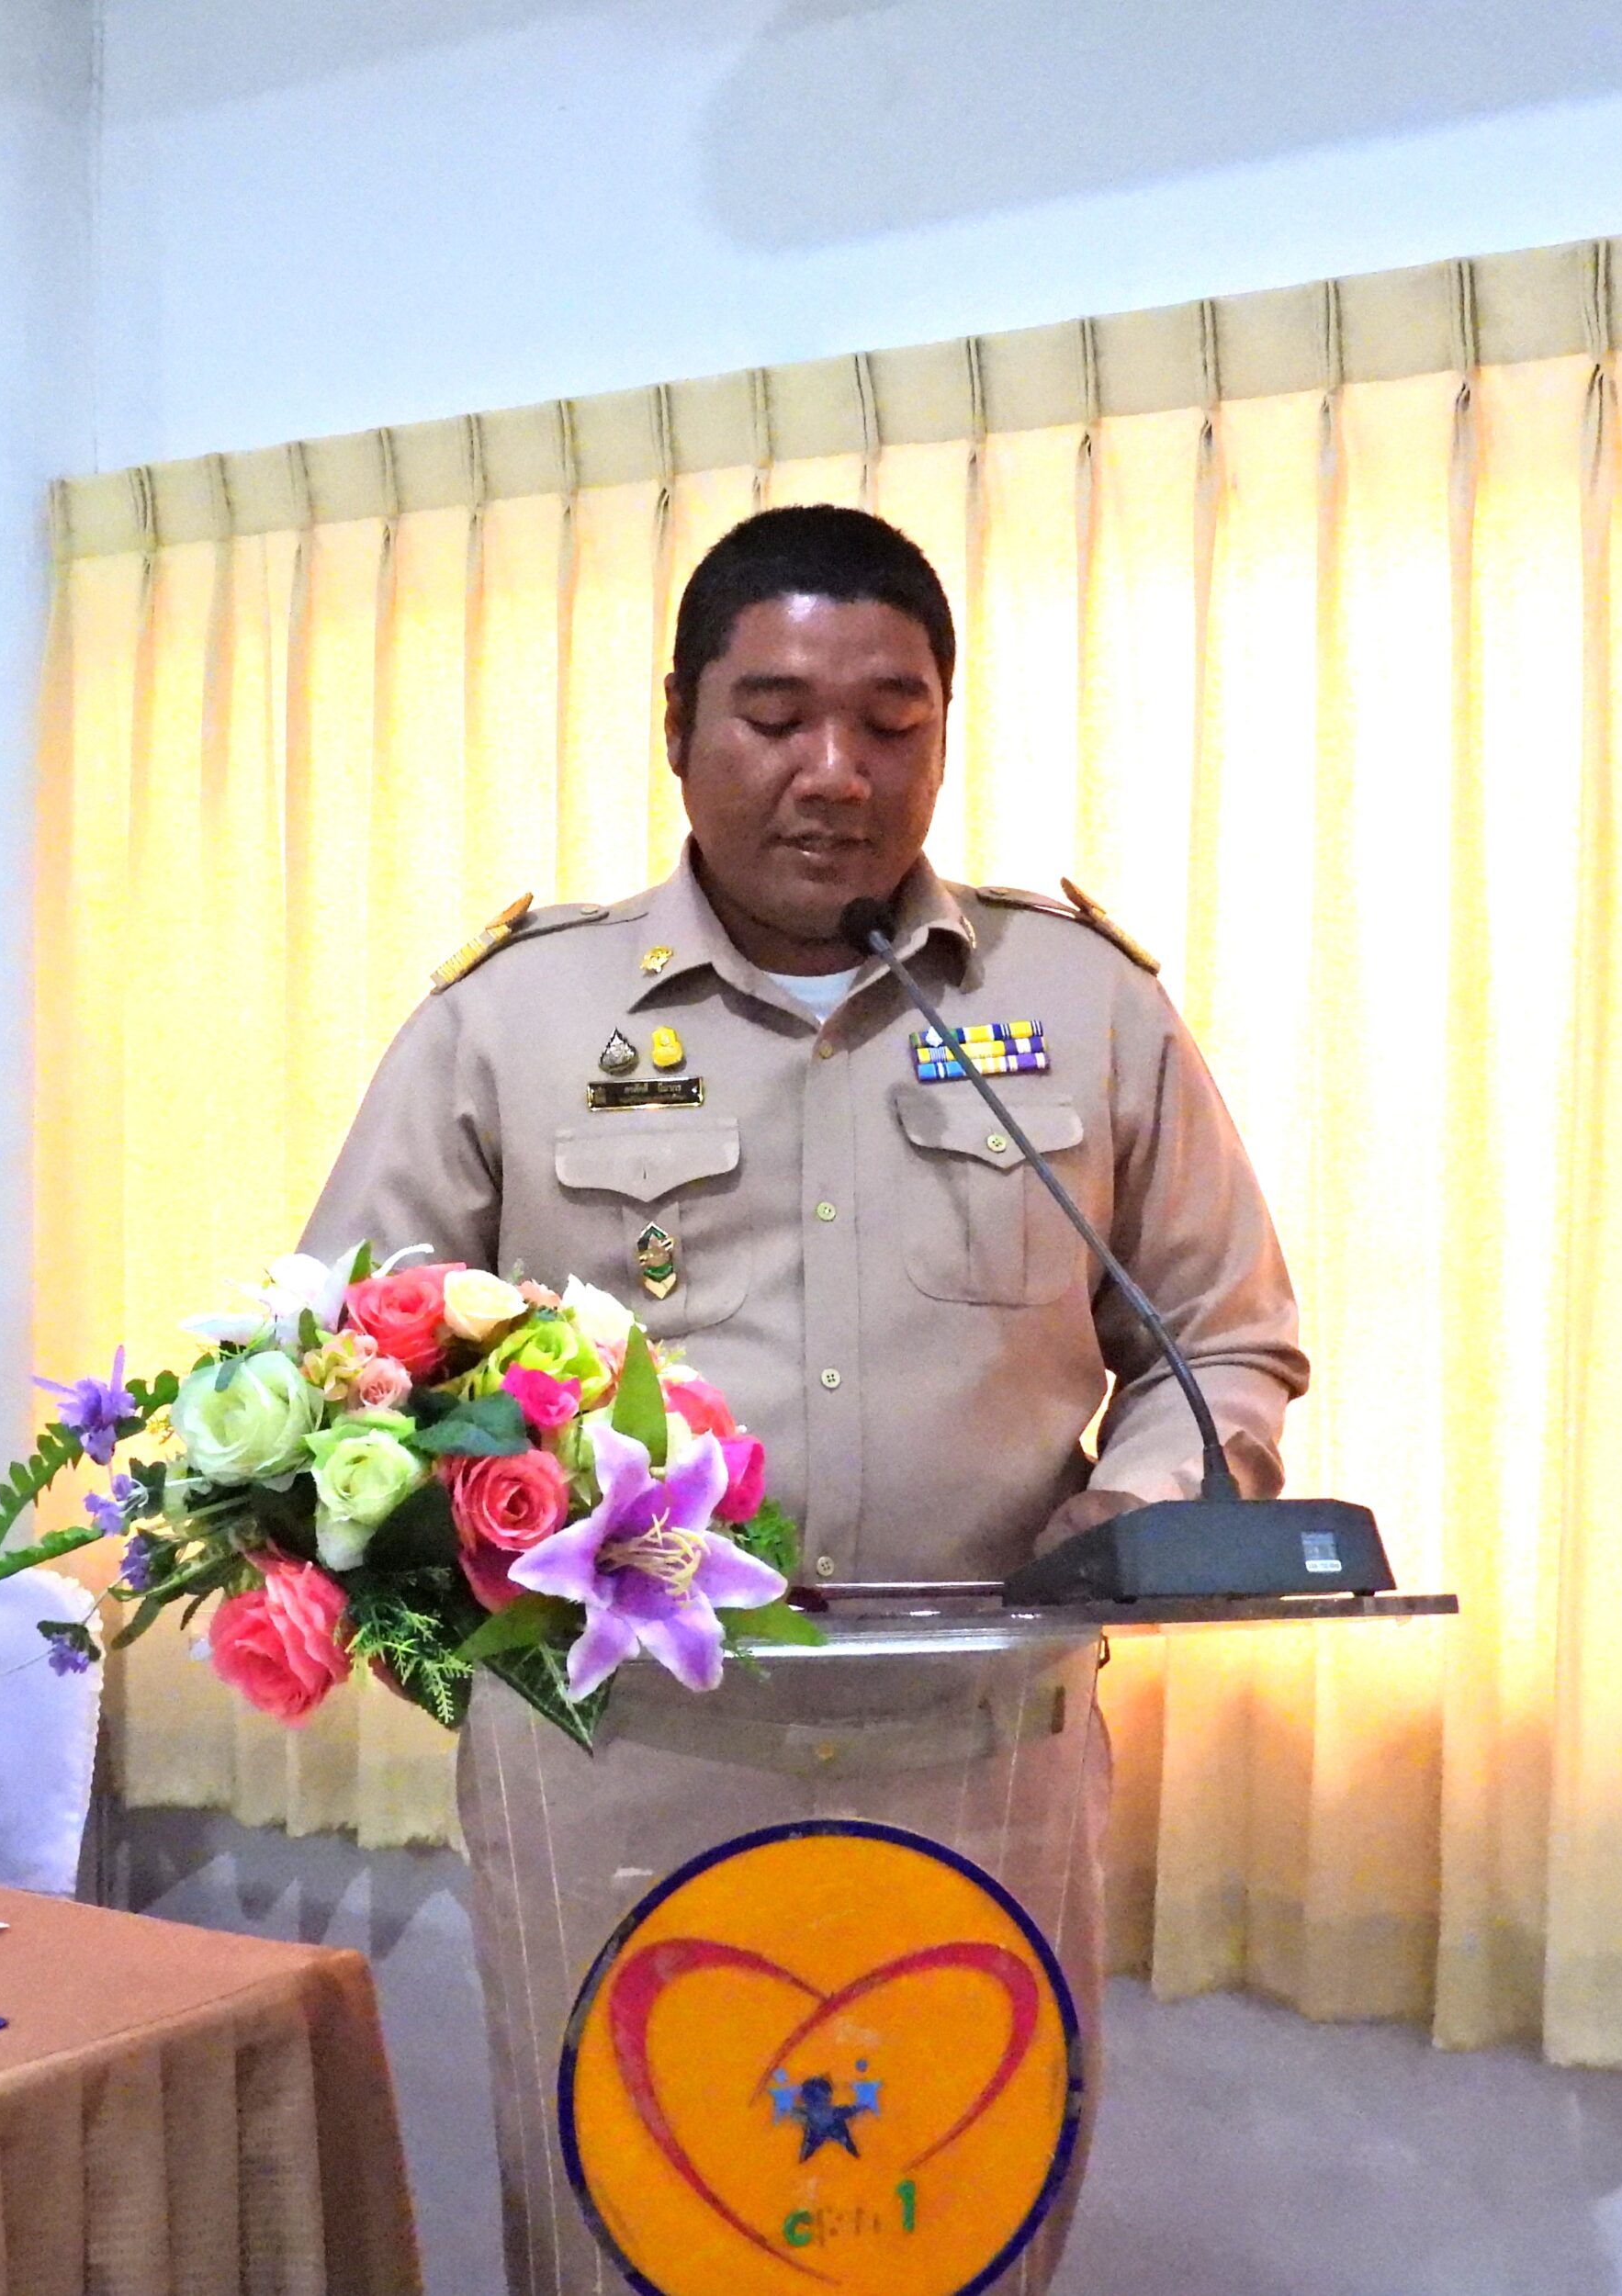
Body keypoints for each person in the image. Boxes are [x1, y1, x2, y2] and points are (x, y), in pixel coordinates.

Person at [300, 504, 1310, 2290]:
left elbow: (1215, 1339)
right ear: (677, 724)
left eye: (888, 721)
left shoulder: (1079, 1002)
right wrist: (443, 1595)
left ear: (941, 732)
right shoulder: (513, 1019)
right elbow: (348, 1375)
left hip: (975, 1754)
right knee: (628, 2234)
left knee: (947, 2224)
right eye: (773, 716)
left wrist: (1137, 1511)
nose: (833, 771)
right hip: (623, 1763)